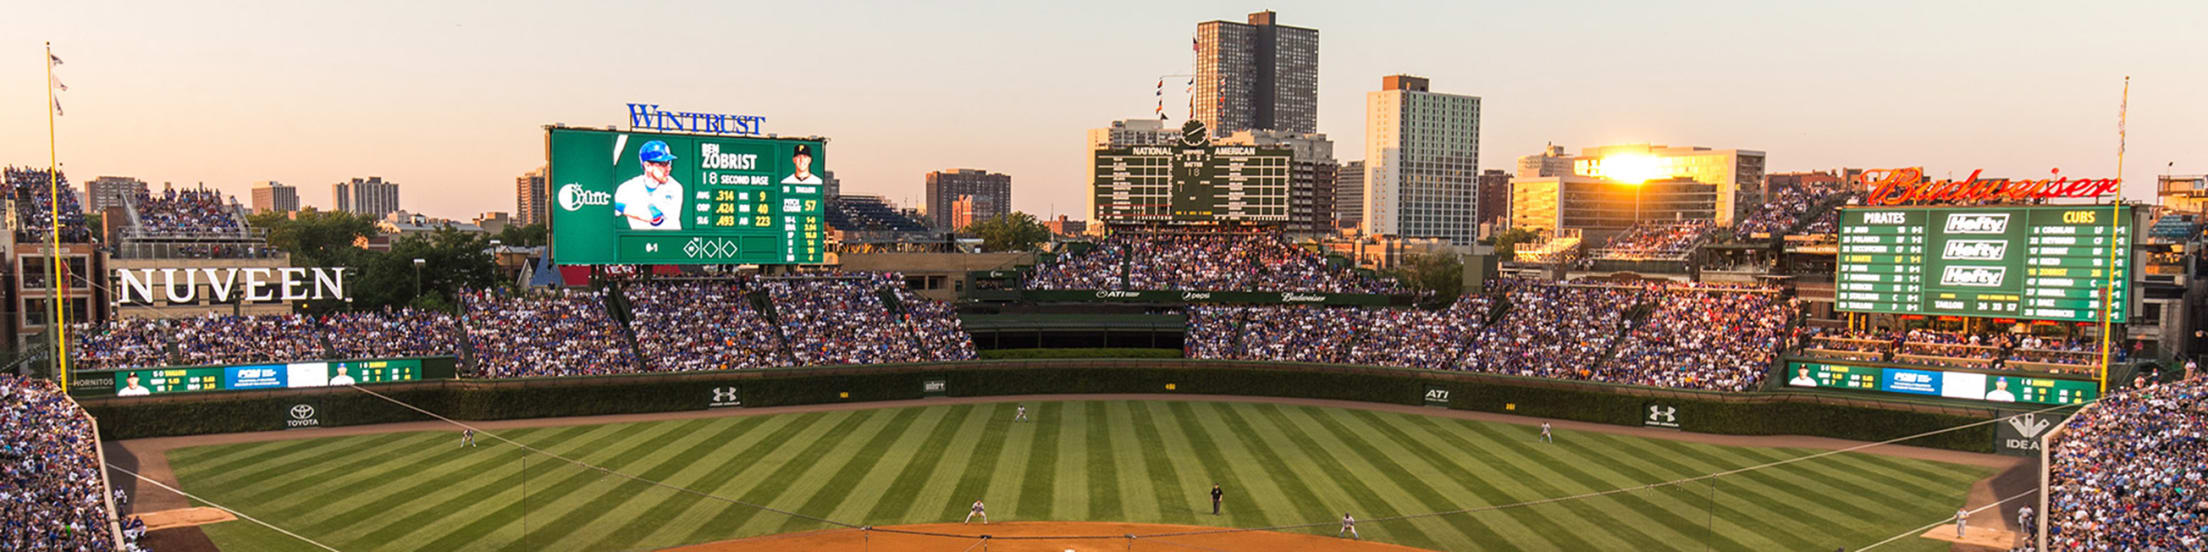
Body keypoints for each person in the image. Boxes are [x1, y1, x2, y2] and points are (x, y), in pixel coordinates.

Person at [614, 140, 684, 230]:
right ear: (647, 166)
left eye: (669, 163)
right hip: (640, 242)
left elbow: (655, 218)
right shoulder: (628, 187)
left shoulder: (674, 187)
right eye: (663, 164)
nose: (668, 168)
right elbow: (609, 209)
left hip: (671, 241)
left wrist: (622, 207)